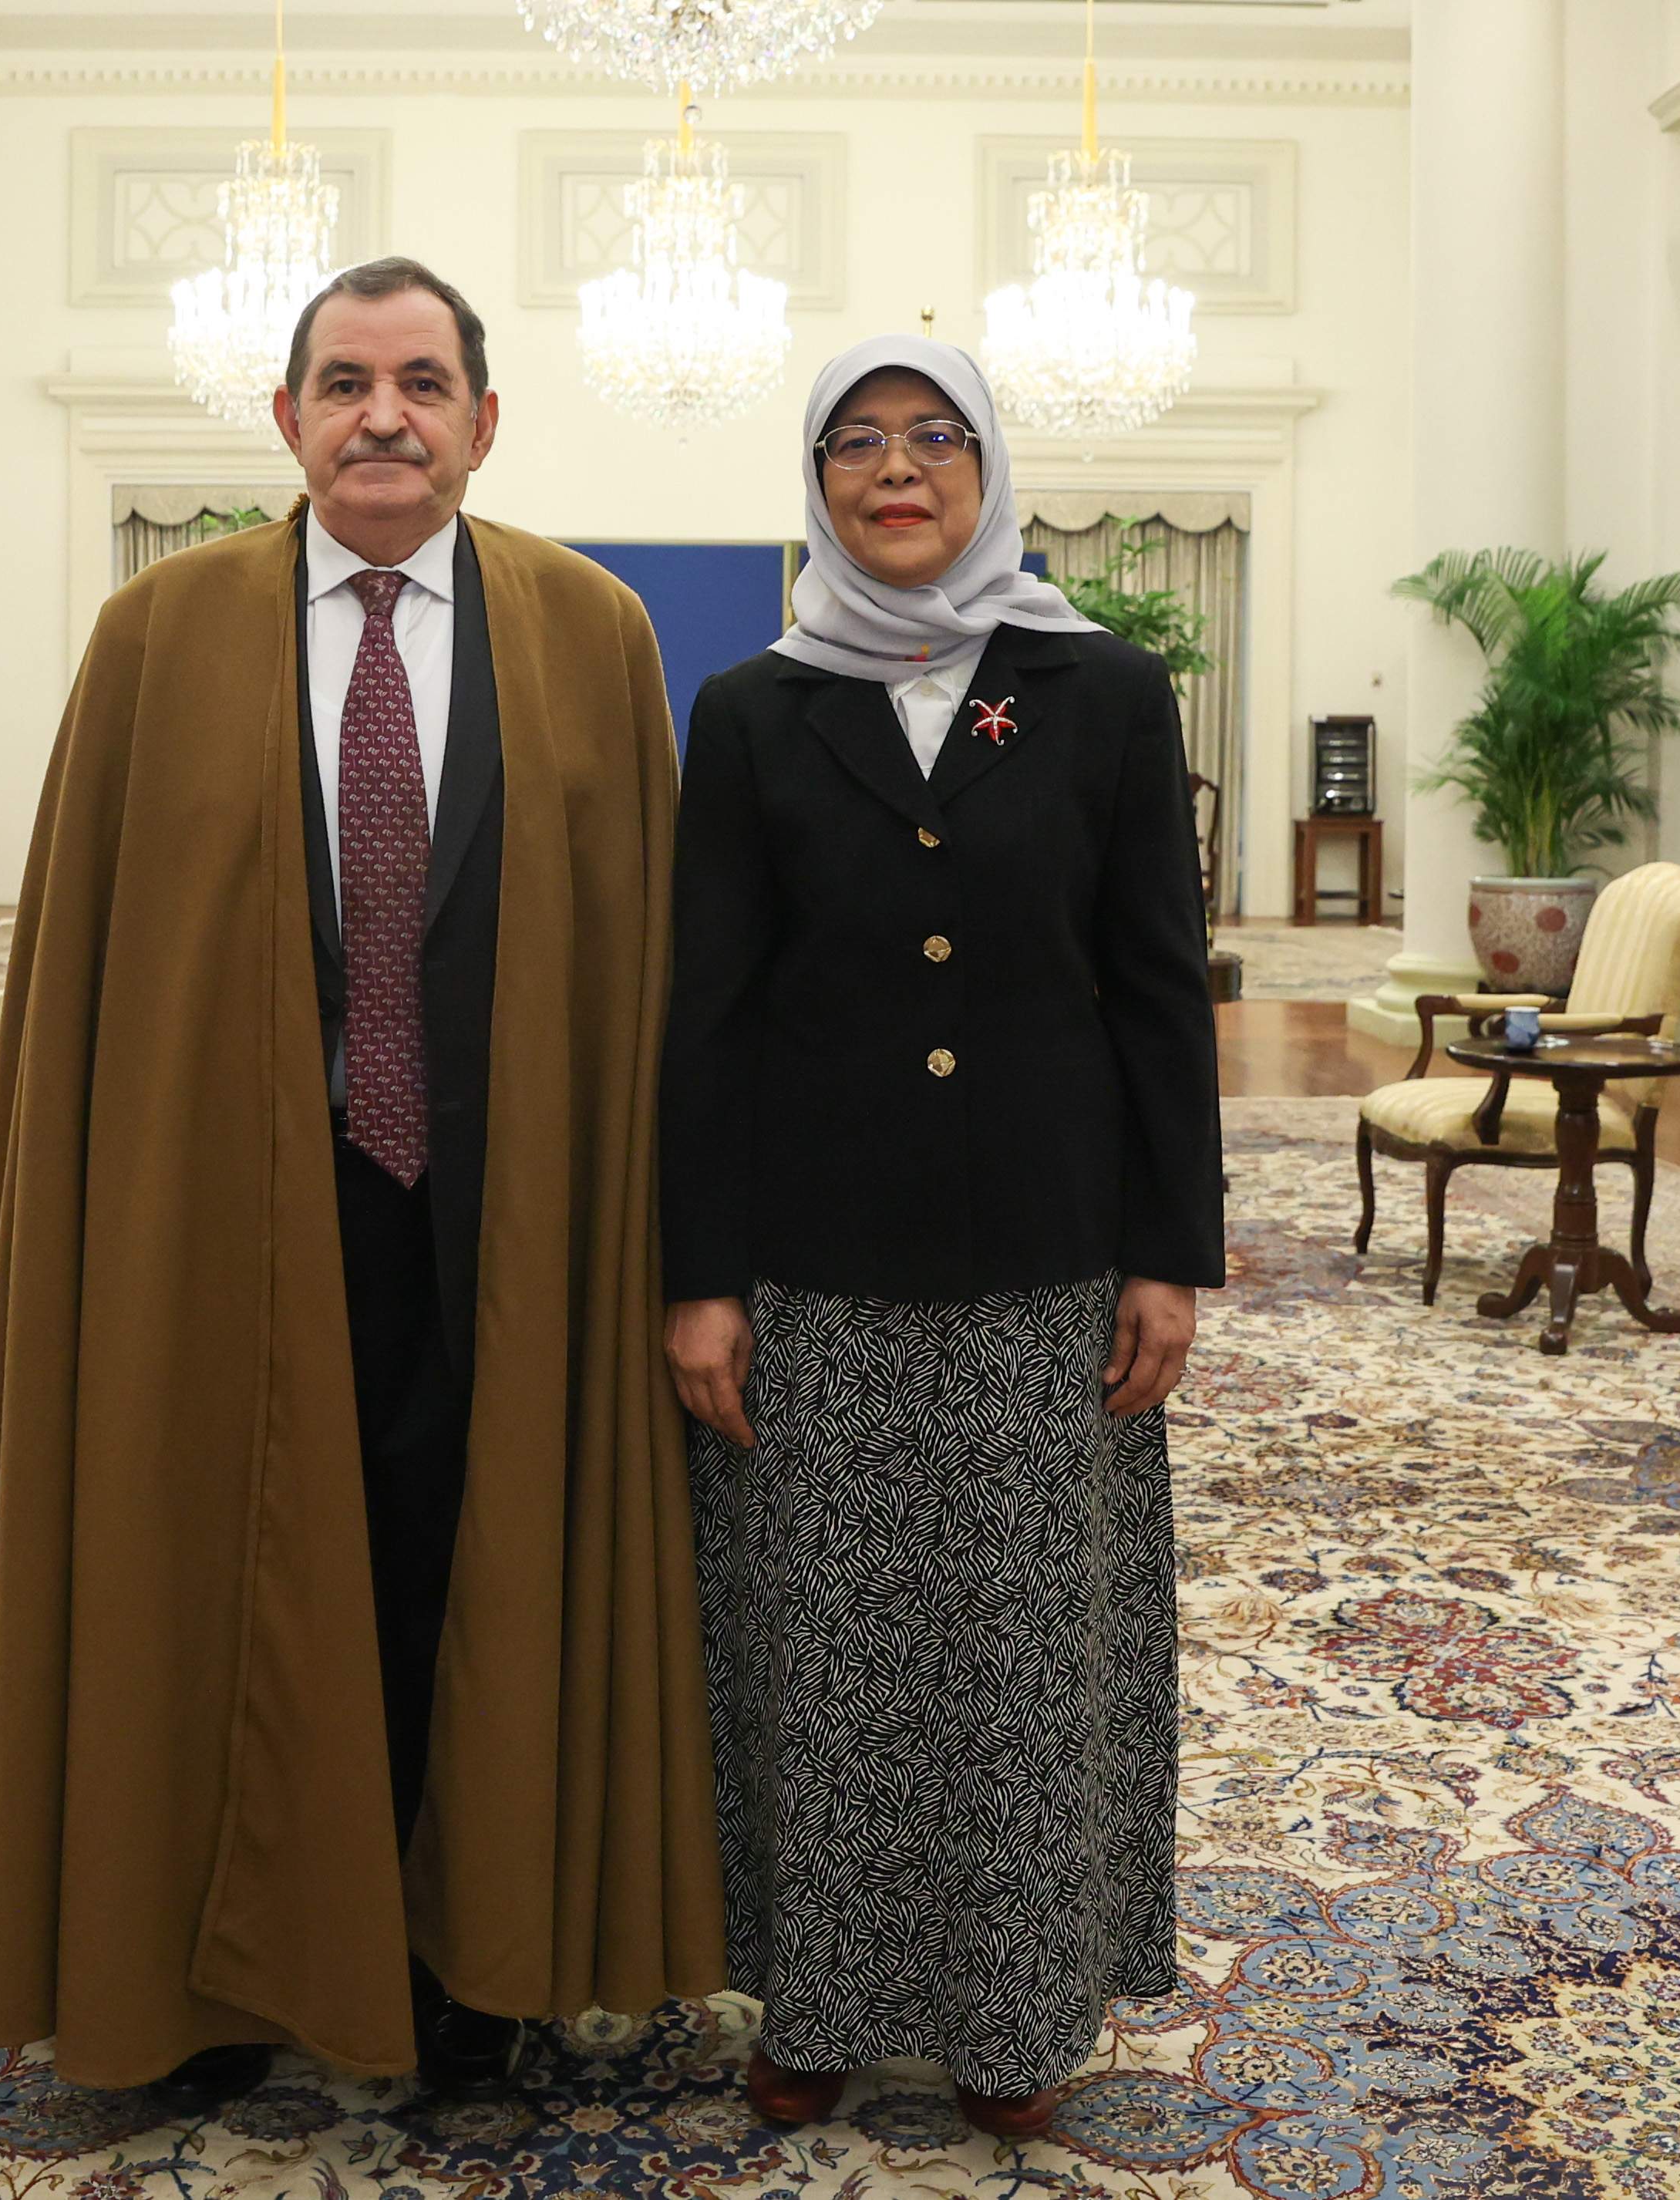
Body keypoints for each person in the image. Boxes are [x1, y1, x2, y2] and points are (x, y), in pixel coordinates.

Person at [0, 256, 726, 2105]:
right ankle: (208, 1977)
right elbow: (90, 969)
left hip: (505, 1212)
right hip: (220, 1206)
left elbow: (647, 962)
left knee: (464, 1566)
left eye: (422, 382)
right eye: (345, 382)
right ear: (284, 418)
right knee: (215, 1576)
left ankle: (471, 1958)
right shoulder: (158, 636)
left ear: (484, 421)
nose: (383, 416)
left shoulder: (591, 634)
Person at [658, 334, 1229, 2138]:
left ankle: (1017, 2011)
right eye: (855, 441)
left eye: (930, 438)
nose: (893, 470)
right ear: (815, 479)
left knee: (1022, 1653)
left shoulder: (1102, 689)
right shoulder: (749, 708)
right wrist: (698, 1276)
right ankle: (817, 1999)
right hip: (811, 1257)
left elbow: (1158, 987)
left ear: (986, 469)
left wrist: (1168, 1252)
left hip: (1045, 1253)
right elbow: (705, 1014)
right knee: (822, 1647)